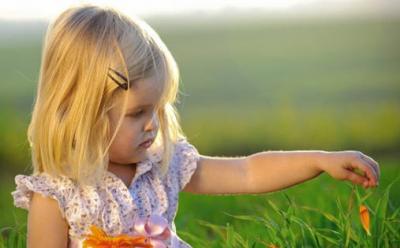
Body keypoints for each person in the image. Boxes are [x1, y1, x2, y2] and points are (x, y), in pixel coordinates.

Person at [11, 4, 380, 248]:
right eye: (137, 113)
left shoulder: (161, 167)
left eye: (157, 109)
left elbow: (247, 172)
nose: (152, 125)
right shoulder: (58, 194)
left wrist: (319, 159)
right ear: (82, 113)